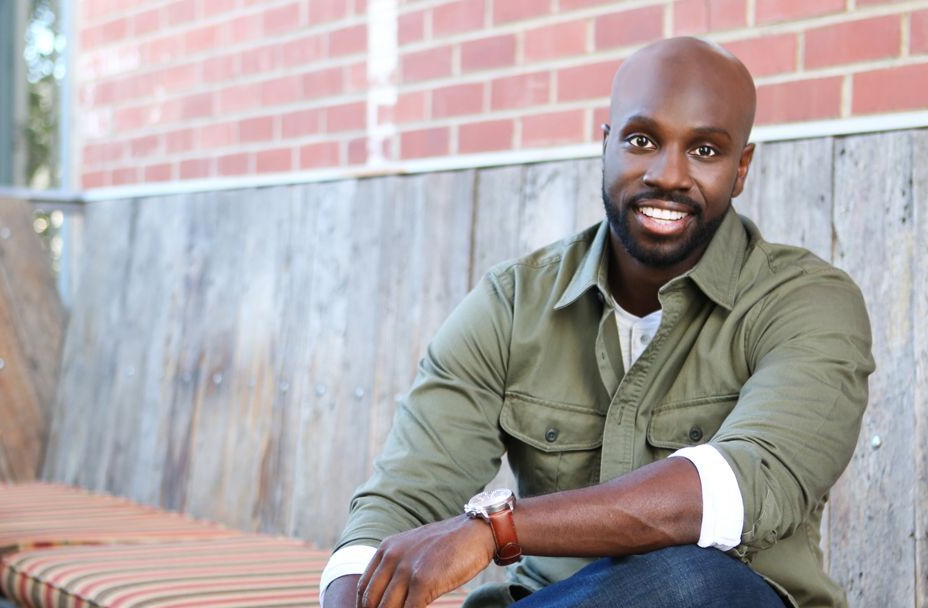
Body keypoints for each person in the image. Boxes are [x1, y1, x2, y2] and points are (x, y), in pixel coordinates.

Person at [320, 36, 874, 608]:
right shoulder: (513, 305)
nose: (669, 174)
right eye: (642, 140)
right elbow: (404, 495)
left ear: (741, 169)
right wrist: (354, 592)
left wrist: (496, 529)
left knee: (694, 580)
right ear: (605, 145)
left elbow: (739, 486)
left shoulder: (805, 302)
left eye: (706, 151)